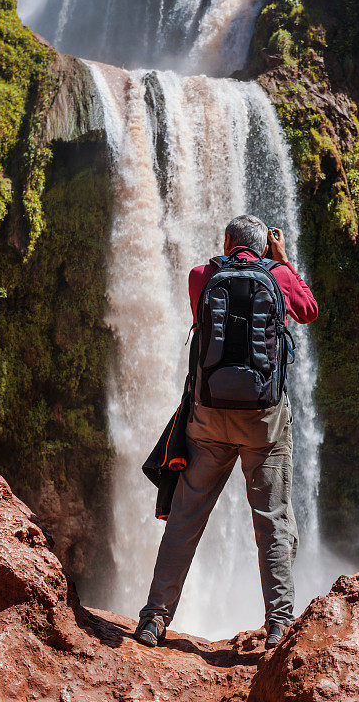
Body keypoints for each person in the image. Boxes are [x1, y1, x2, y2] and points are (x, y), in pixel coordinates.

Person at [135, 215, 318, 649]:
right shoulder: (279, 276)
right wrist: (284, 261)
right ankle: (278, 626)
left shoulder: (203, 276)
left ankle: (153, 620)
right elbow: (308, 310)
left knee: (184, 520)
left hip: (208, 420)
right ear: (263, 248)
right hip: (264, 424)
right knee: (273, 521)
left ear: (227, 241)